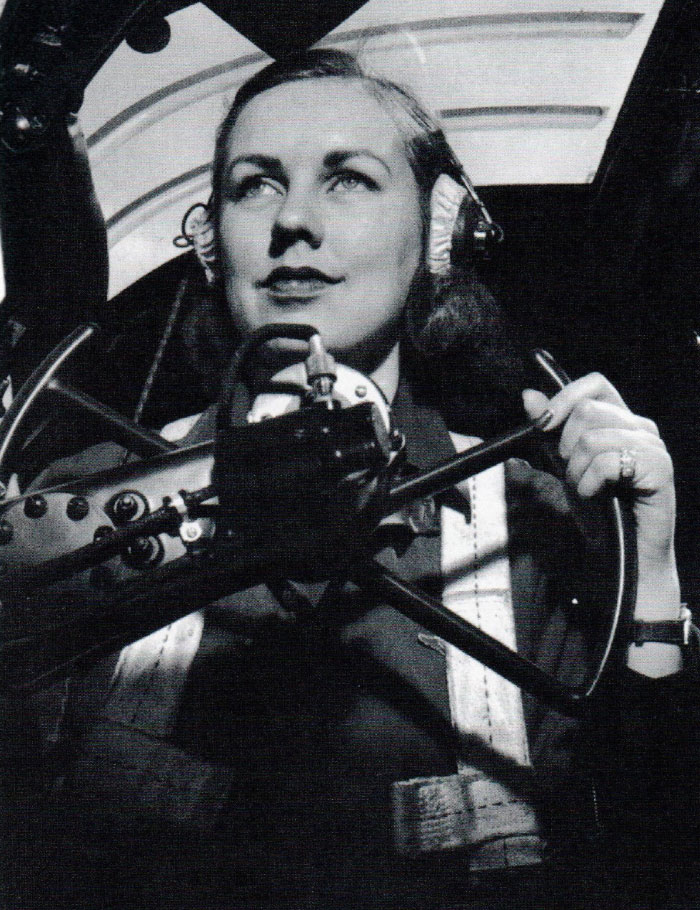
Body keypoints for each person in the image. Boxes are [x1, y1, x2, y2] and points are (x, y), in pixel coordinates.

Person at [3, 49, 697, 910]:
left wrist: (652, 581)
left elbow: (646, 856)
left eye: (348, 180)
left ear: (440, 235)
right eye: (255, 184)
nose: (293, 220)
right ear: (213, 245)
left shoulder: (534, 522)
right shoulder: (84, 505)